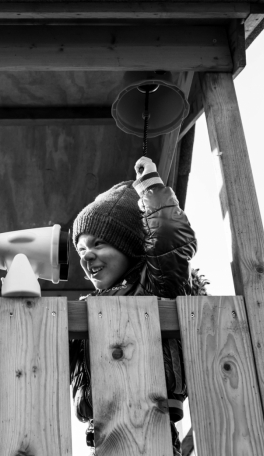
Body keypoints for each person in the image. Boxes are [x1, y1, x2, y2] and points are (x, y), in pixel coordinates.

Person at [70, 156, 202, 456]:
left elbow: (171, 239)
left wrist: (152, 188)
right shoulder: (87, 311)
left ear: (130, 246)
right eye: (81, 249)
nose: (86, 256)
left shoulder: (155, 282)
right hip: (101, 431)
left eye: (99, 243)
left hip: (151, 419)